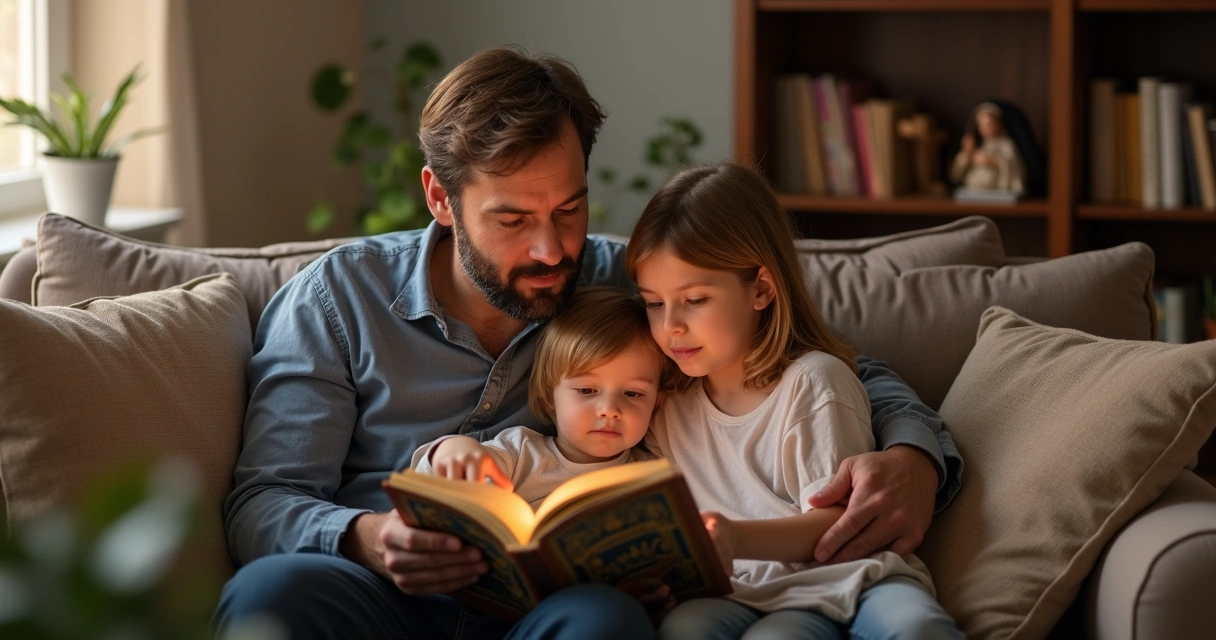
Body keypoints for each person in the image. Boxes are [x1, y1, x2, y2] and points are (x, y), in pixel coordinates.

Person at [214, 44, 961, 640]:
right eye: (513, 219)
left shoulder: (623, 287)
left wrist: (914, 457)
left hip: (549, 609)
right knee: (270, 593)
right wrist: (369, 538)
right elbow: (263, 501)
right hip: (383, 592)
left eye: (569, 209)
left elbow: (816, 360)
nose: (551, 250)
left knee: (608, 620)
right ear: (441, 197)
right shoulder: (338, 298)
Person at [628, 162, 963, 639]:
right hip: (739, 592)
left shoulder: (814, 382)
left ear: (761, 289)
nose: (671, 326)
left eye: (695, 299)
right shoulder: (665, 405)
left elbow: (843, 524)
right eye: (654, 303)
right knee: (683, 628)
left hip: (843, 578)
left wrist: (735, 538)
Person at [412, 286, 679, 619]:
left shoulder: (655, 480)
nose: (609, 409)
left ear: (657, 403)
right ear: (550, 396)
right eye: (587, 390)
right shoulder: (519, 451)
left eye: (633, 394)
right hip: (480, 610)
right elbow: (428, 484)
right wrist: (452, 450)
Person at [949, 101, 1027, 196]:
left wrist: (993, 161)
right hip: (975, 188)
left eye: (989, 124)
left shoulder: (1005, 144)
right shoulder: (979, 144)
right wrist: (966, 153)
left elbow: (1014, 166)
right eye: (981, 124)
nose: (985, 128)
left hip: (996, 187)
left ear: (998, 123)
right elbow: (955, 175)